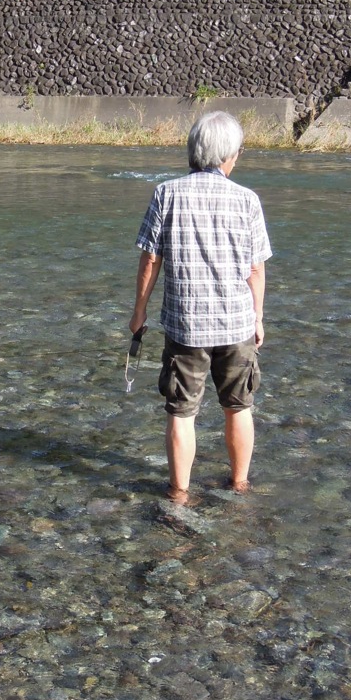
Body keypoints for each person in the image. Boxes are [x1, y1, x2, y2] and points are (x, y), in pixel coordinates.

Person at [129, 111, 272, 505]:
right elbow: (255, 269)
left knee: (181, 411)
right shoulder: (247, 200)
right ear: (230, 156)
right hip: (236, 324)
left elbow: (150, 260)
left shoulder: (166, 193)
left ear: (195, 150)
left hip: (186, 326)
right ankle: (239, 485)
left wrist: (138, 312)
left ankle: (179, 494)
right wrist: (258, 319)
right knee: (239, 406)